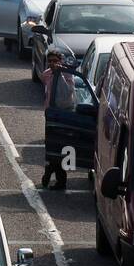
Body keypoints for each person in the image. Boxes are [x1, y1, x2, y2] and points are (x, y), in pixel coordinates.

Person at [40, 48, 76, 190]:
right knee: (52, 146)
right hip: (51, 114)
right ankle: (54, 176)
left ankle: (52, 175)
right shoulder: (46, 75)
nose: (52, 64)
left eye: (55, 61)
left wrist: (59, 73)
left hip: (65, 115)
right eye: (50, 61)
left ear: (61, 61)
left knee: (62, 148)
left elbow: (67, 92)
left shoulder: (67, 74)